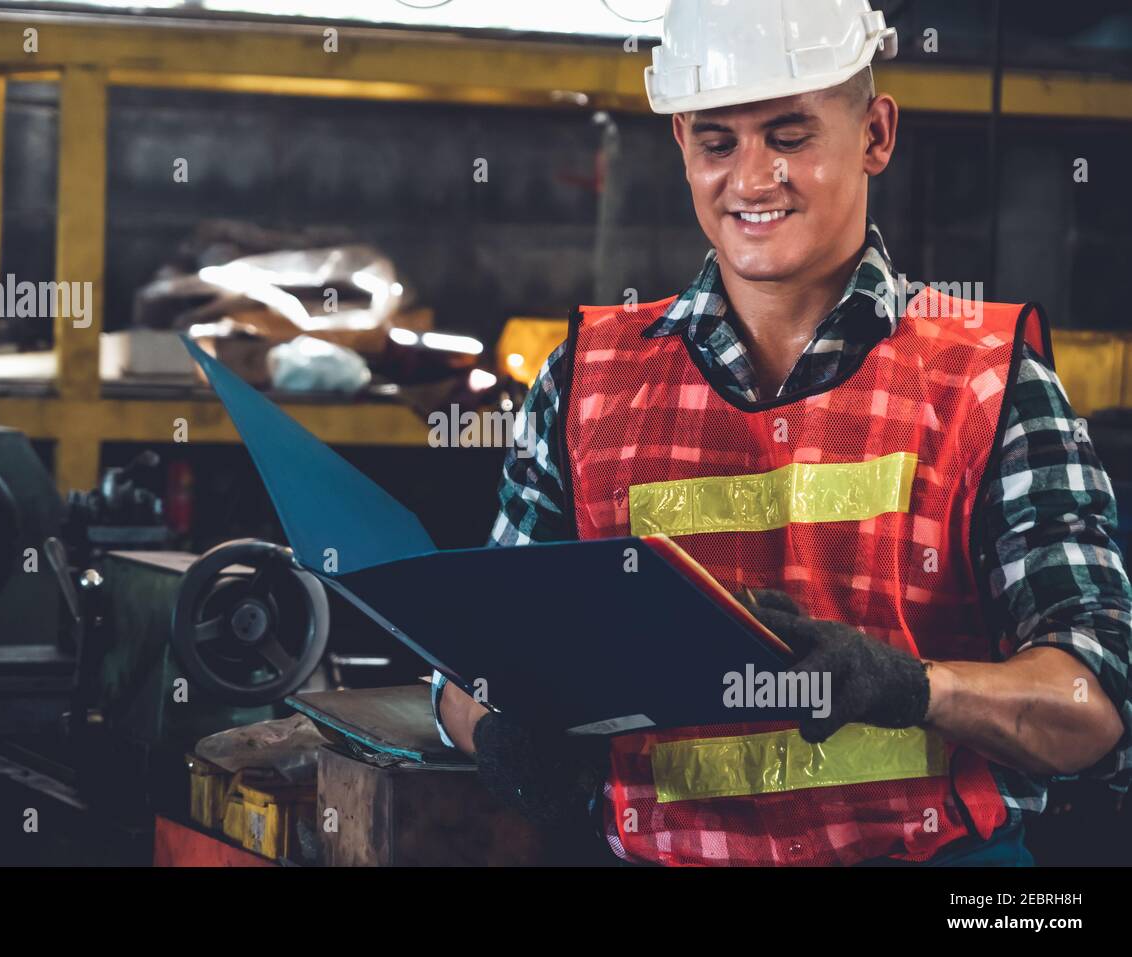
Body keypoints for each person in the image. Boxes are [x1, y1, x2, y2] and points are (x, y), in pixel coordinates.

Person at [433, 0, 1131, 866]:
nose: (753, 179)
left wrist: (913, 687)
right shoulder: (586, 382)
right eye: (718, 142)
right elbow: (468, 663)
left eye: (790, 135)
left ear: (875, 134)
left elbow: (1097, 705)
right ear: (683, 143)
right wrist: (497, 729)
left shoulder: (988, 381)